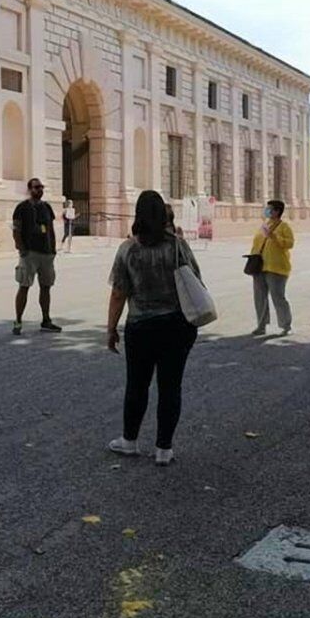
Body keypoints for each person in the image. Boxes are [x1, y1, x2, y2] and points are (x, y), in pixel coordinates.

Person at [106, 190, 201, 467]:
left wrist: (111, 329)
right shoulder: (177, 246)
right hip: (177, 325)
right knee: (171, 387)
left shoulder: (128, 249)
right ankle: (164, 449)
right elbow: (195, 279)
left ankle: (129, 440)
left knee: (137, 385)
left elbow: (118, 294)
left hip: (141, 326)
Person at [12, 178, 62, 335]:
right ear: (29, 189)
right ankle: (18, 320)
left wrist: (53, 248)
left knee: (46, 287)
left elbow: (50, 228)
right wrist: (21, 248)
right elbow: (16, 230)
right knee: (24, 286)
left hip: (46, 253)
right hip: (30, 253)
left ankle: (46, 320)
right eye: (36, 187)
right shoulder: (22, 207)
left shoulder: (46, 207)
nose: (39, 190)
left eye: (41, 187)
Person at [248, 199, 295, 337]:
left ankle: (286, 325)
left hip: (277, 268)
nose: (267, 211)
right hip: (260, 267)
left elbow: (290, 244)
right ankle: (261, 326)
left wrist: (275, 237)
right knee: (260, 298)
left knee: (278, 297)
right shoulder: (264, 225)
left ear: (277, 211)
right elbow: (257, 243)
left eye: (269, 209)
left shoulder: (284, 226)